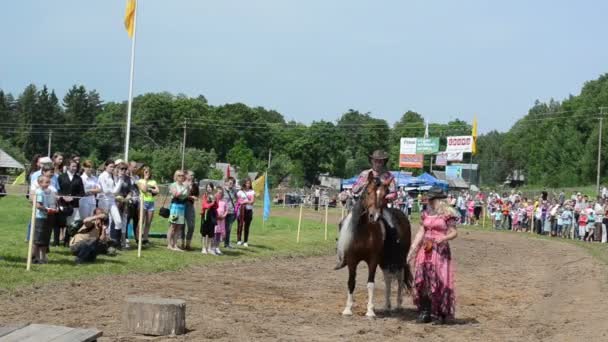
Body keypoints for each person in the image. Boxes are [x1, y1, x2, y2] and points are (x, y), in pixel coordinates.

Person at [336, 149, 397, 269]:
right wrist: (363, 184)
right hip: (362, 206)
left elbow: (394, 193)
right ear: (372, 161)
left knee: (392, 227)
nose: (378, 163)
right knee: (343, 222)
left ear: (384, 162)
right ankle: (343, 252)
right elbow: (354, 189)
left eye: (380, 161)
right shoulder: (364, 174)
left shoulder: (388, 176)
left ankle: (391, 254)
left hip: (381, 207)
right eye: (376, 161)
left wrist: (385, 197)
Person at [407, 186, 458, 324]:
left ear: (436, 199)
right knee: (423, 280)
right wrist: (412, 249)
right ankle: (425, 312)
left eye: (430, 198)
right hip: (425, 249)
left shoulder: (448, 214)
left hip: (440, 251)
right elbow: (421, 232)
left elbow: (454, 232)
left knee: (439, 280)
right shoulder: (426, 213)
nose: (428, 201)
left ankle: (440, 314)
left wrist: (444, 238)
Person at [57, 160, 85, 246]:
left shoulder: (78, 178)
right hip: (62, 203)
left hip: (74, 204)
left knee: (73, 223)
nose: (74, 168)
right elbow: (58, 190)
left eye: (76, 167)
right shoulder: (61, 177)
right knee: (61, 222)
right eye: (73, 166)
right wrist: (63, 197)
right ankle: (56, 241)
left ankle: (68, 240)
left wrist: (73, 199)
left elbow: (82, 192)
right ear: (68, 166)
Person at [33, 175, 58, 264]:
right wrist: (47, 209)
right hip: (40, 218)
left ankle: (43, 256)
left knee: (46, 238)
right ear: (40, 183)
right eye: (46, 182)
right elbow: (38, 205)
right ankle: (36, 257)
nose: (48, 184)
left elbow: (53, 203)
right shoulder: (39, 192)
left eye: (49, 182)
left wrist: (54, 208)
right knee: (38, 239)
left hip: (49, 217)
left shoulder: (50, 192)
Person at [97, 160, 122, 247]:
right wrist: (114, 192)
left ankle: (115, 241)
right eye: (111, 166)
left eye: (113, 167)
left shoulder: (112, 176)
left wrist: (120, 179)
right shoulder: (102, 176)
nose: (112, 168)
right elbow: (106, 190)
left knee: (118, 221)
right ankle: (102, 242)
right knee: (104, 222)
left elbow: (116, 190)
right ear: (105, 167)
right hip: (104, 200)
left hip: (111, 200)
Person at [167, 170, 189, 251]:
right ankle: (169, 245)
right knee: (172, 226)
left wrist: (187, 189)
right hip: (175, 207)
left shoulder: (184, 186)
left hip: (182, 207)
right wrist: (184, 190)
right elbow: (176, 194)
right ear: (176, 176)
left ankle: (175, 244)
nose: (181, 177)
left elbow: (186, 196)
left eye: (183, 175)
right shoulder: (173, 185)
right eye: (179, 175)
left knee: (179, 227)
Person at [137, 166, 159, 245]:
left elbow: (157, 191)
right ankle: (138, 238)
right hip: (143, 201)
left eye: (148, 171)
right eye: (145, 172)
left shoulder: (153, 181)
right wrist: (146, 181)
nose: (147, 173)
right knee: (141, 221)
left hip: (151, 202)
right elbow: (144, 190)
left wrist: (150, 189)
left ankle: (145, 239)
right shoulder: (140, 181)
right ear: (143, 172)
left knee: (148, 222)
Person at [181, 170, 199, 250]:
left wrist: (190, 197)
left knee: (191, 226)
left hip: (190, 205)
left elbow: (197, 197)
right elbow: (181, 195)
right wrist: (191, 197)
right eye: (191, 175)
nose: (192, 176)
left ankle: (188, 244)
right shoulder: (182, 183)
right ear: (186, 175)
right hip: (181, 205)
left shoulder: (195, 186)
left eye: (193, 175)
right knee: (181, 225)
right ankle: (182, 243)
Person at [236, 178, 256, 247]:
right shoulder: (240, 192)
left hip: (249, 210)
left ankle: (245, 241)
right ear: (244, 183)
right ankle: (239, 240)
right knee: (240, 225)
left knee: (247, 226)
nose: (248, 184)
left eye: (249, 183)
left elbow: (252, 201)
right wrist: (244, 202)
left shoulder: (252, 191)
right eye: (247, 183)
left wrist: (246, 201)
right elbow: (238, 201)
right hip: (241, 210)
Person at [200, 183, 217, 254]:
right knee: (204, 232)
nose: (209, 188)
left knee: (211, 232)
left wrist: (214, 202)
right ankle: (203, 248)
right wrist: (212, 203)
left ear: (212, 188)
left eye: (210, 187)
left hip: (212, 215)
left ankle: (209, 248)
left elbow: (216, 206)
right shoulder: (205, 195)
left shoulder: (214, 196)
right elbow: (204, 205)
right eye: (208, 187)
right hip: (206, 215)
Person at [223, 177, 238, 248]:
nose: (231, 184)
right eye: (230, 183)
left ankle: (227, 243)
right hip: (223, 212)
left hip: (231, 212)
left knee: (228, 228)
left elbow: (237, 198)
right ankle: (216, 243)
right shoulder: (222, 190)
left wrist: (235, 203)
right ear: (226, 182)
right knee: (220, 228)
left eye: (232, 183)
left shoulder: (234, 191)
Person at [214, 188, 227, 255]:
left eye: (221, 193)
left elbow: (226, 210)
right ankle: (213, 247)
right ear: (215, 193)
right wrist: (217, 216)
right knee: (214, 233)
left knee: (219, 234)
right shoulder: (214, 201)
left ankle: (217, 247)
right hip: (215, 220)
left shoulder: (223, 202)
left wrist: (224, 216)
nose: (220, 194)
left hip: (221, 221)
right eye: (218, 192)